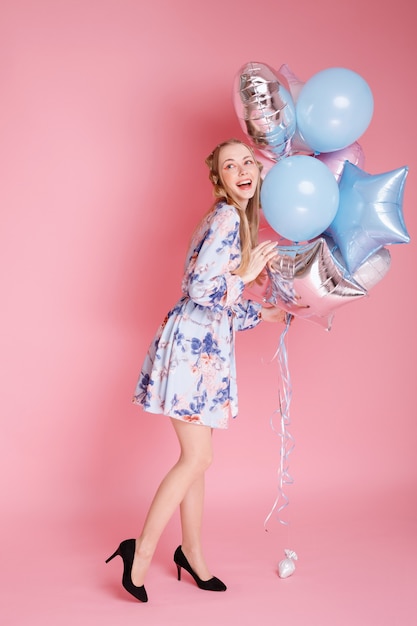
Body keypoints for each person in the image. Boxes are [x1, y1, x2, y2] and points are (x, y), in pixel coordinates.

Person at [106, 138, 287, 602]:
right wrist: (246, 277)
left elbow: (219, 302)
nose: (243, 170)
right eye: (231, 165)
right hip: (191, 350)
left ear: (258, 171)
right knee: (198, 459)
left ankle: (192, 553)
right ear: (220, 178)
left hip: (202, 349)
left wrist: (257, 314)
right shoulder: (227, 217)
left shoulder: (235, 221)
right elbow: (200, 287)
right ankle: (140, 552)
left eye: (248, 162)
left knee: (197, 461)